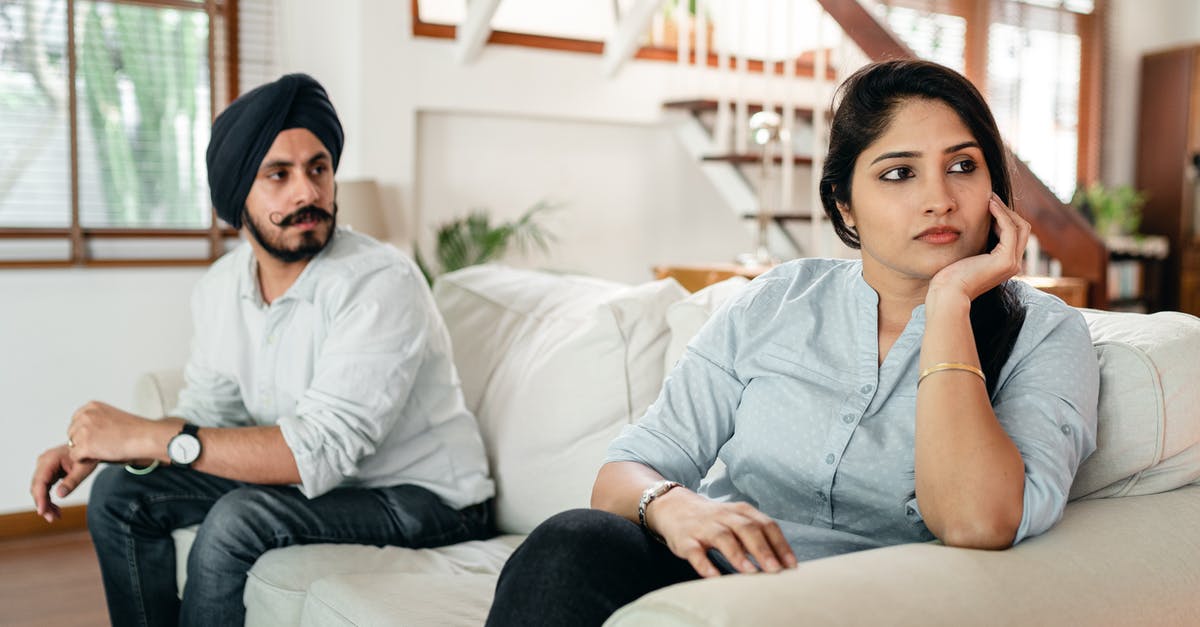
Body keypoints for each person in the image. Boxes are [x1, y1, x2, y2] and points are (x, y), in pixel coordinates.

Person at [485, 59, 1099, 626]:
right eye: (899, 173)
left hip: (871, 604)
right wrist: (678, 507)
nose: (939, 199)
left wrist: (949, 303)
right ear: (845, 206)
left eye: (963, 166)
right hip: (712, 584)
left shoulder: (1045, 333)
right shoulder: (775, 301)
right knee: (571, 543)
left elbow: (975, 519)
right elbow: (622, 474)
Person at [29, 73, 495, 627]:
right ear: (237, 196)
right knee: (119, 493)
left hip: (429, 501)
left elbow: (318, 451)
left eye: (318, 169)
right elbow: (209, 419)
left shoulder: (379, 282)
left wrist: (149, 434)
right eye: (279, 174)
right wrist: (110, 446)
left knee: (238, 518)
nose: (308, 193)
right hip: (326, 486)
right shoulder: (222, 287)